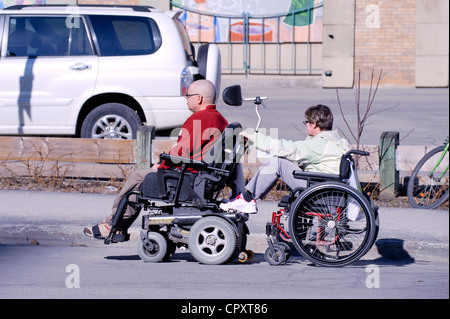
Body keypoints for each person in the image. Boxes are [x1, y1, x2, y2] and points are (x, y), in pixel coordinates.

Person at [84, 79, 230, 241]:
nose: (186, 98)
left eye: (188, 95)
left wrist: (161, 166)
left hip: (189, 177)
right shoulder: (220, 119)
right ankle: (117, 227)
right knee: (141, 178)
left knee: (137, 178)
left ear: (199, 98)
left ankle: (112, 225)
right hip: (204, 176)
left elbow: (182, 151)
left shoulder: (200, 118)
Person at [220, 104, 351, 214]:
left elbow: (286, 148)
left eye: (306, 122)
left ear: (314, 124)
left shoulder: (319, 144)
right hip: (332, 190)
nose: (305, 125)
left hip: (319, 190)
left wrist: (255, 138)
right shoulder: (338, 141)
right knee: (289, 164)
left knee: (278, 162)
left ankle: (247, 199)